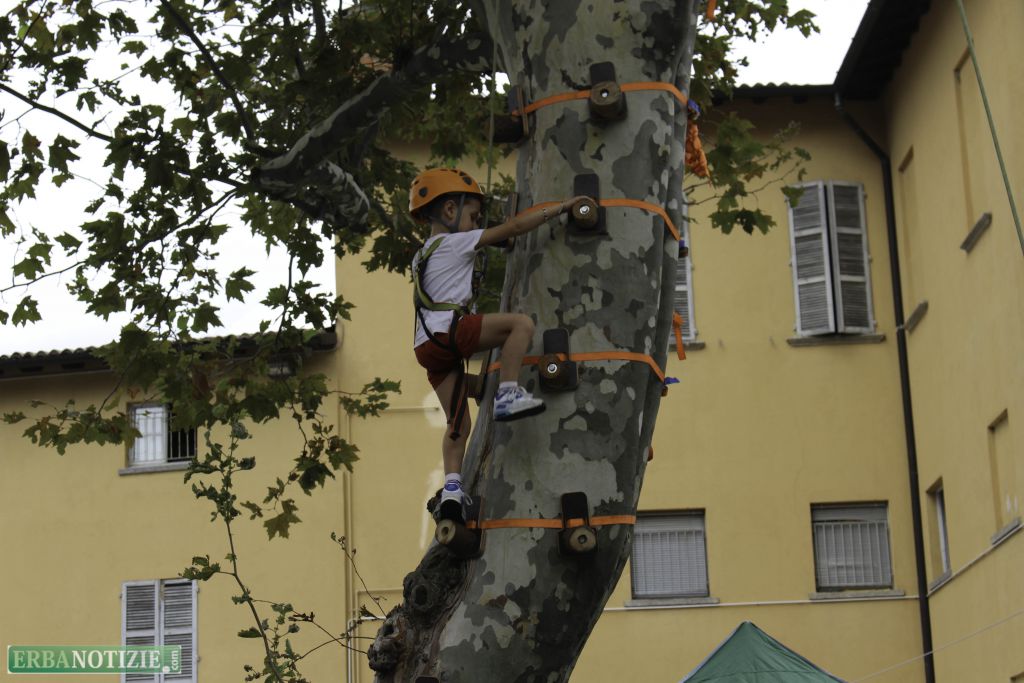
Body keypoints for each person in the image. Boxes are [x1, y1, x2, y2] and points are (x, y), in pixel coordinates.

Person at [409, 167, 585, 523]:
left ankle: (453, 490)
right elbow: (515, 227)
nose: (477, 224)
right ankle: (507, 393)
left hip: (426, 347)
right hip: (450, 332)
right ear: (449, 211)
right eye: (474, 216)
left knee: (457, 425)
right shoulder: (458, 242)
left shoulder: (422, 255)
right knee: (520, 325)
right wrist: (561, 207)